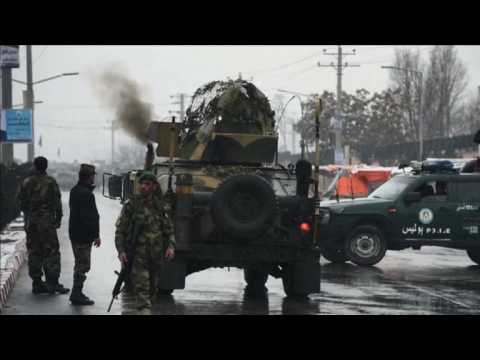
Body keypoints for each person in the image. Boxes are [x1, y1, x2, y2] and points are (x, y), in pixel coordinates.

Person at [114, 172, 175, 313]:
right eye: (142, 184)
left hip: (156, 257)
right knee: (142, 293)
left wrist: (171, 247)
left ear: (154, 186)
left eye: (147, 184)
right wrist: (121, 251)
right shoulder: (132, 205)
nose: (143, 187)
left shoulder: (161, 206)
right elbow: (120, 230)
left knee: (152, 292)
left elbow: (169, 230)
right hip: (138, 257)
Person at [17, 156, 69, 295]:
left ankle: (37, 283)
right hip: (46, 223)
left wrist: (29, 215)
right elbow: (57, 202)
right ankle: (53, 283)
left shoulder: (26, 182)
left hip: (31, 223)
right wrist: (58, 218)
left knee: (34, 250)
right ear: (45, 167)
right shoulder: (51, 182)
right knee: (51, 251)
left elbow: (21, 203)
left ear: (35, 166)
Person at [68, 164, 101, 305]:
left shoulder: (75, 190)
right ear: (89, 177)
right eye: (93, 175)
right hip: (83, 235)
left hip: (75, 233)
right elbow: (90, 218)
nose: (94, 178)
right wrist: (96, 235)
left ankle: (77, 292)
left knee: (80, 263)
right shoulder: (86, 194)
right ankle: (76, 293)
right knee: (83, 265)